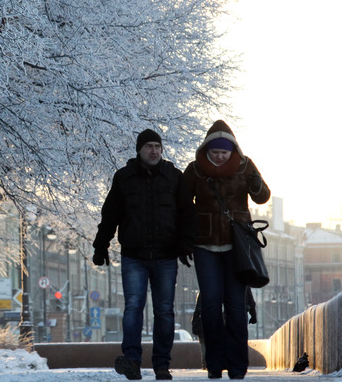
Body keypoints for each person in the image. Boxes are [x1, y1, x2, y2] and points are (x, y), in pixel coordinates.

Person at [92, 129, 197, 381]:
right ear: (139, 150)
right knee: (133, 308)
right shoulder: (124, 178)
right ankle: (132, 362)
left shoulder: (174, 177)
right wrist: (100, 245)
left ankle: (162, 364)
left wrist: (185, 245)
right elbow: (111, 214)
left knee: (164, 311)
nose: (154, 151)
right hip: (134, 256)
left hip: (166, 255)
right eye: (149, 146)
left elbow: (187, 214)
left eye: (157, 146)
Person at [183, 120, 270, 380]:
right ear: (206, 150)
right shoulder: (195, 170)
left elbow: (262, 196)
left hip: (236, 247)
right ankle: (214, 364)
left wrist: (254, 180)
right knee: (210, 303)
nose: (220, 156)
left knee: (234, 305)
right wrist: (185, 240)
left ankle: (237, 366)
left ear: (233, 150)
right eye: (215, 151)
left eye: (224, 151)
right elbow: (183, 207)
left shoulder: (244, 166)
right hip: (204, 245)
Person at [191, 289, 258, 371]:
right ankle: (237, 365)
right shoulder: (241, 281)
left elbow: (199, 305)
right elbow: (251, 301)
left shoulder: (212, 283)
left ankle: (212, 365)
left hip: (215, 319)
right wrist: (253, 315)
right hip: (239, 315)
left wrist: (195, 319)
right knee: (238, 339)